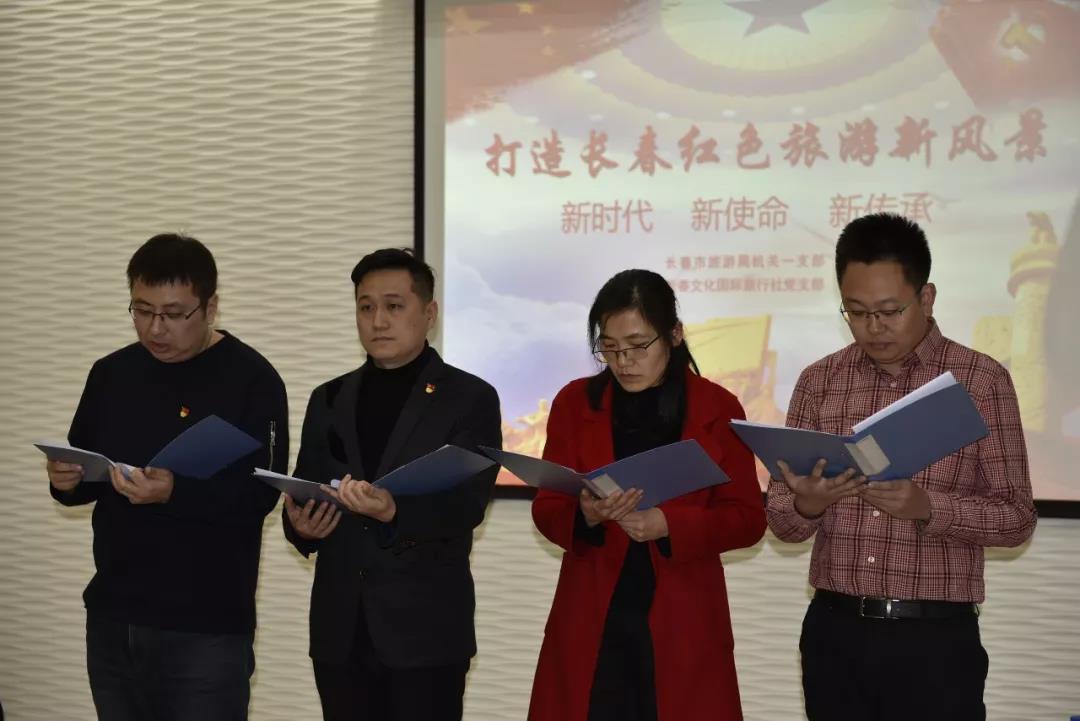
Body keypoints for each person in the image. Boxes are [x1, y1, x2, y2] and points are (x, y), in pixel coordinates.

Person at [766, 213, 1037, 721]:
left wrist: (928, 507)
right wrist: (808, 503)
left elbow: (1017, 518)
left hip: (935, 641)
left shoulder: (980, 381)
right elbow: (783, 522)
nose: (874, 327)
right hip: (835, 631)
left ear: (926, 298)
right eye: (856, 312)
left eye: (890, 311)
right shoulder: (819, 382)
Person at [46, 233, 289, 720]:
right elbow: (88, 473)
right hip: (115, 616)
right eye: (142, 310)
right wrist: (65, 481)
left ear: (211, 307)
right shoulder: (111, 374)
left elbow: (259, 495)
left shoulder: (251, 380)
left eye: (174, 314)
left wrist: (175, 491)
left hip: (206, 627)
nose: (156, 328)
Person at [528, 269, 767, 721]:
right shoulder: (575, 404)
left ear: (674, 335)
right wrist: (587, 514)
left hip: (684, 618)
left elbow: (748, 519)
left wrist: (670, 524)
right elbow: (547, 508)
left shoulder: (717, 408)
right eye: (610, 348)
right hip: (593, 614)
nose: (624, 362)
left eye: (639, 346)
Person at [282, 248, 501, 721]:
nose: (378, 320)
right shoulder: (328, 398)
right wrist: (300, 525)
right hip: (341, 632)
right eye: (366, 307)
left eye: (394, 306)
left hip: (425, 636)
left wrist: (393, 512)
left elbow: (467, 504)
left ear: (430, 313)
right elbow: (305, 486)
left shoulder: (469, 398)